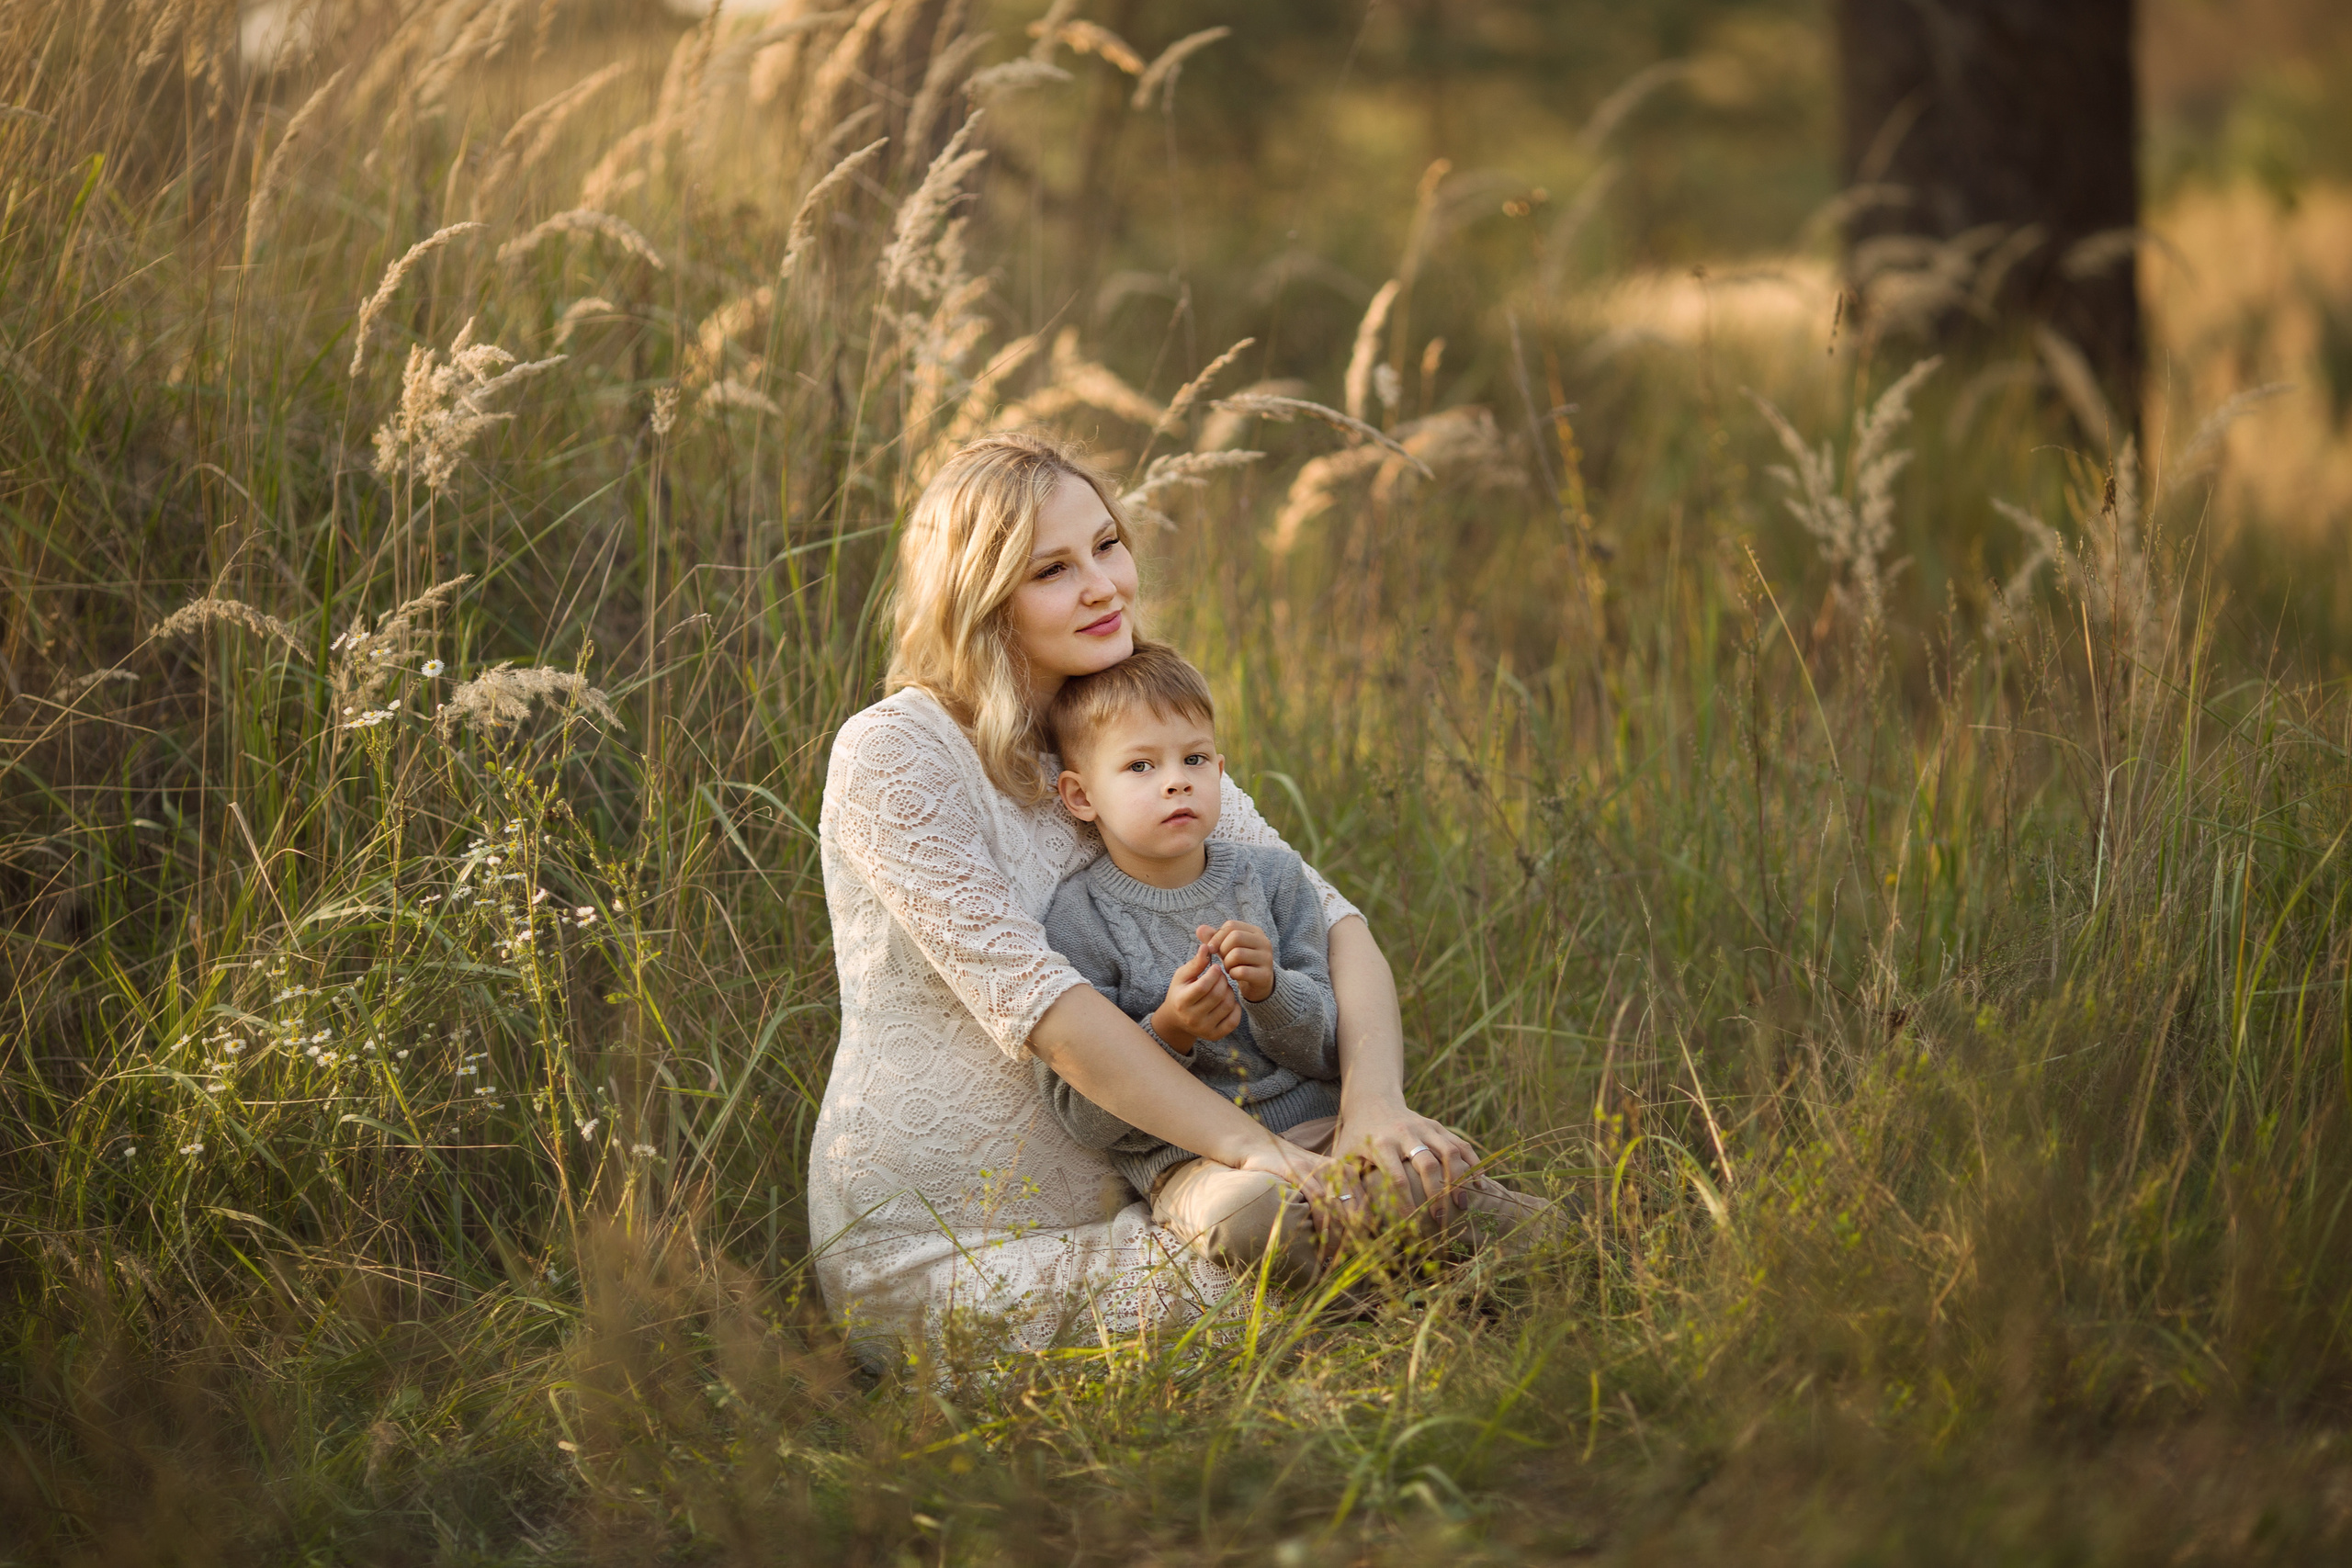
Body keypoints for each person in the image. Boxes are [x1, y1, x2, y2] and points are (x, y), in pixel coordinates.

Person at [809, 432, 1487, 1365]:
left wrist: (1374, 1109)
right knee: (1313, 1270)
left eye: (1107, 544)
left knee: (1384, 1204)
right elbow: (1051, 1016)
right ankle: (1454, 1256)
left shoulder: (1118, 740)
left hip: (1160, 1199)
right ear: (979, 597)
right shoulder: (898, 750)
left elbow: (1338, 929)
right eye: (1052, 567)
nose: (1103, 585)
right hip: (953, 1248)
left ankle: (1487, 1246)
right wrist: (1267, 1155)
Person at [1031, 641, 1544, 1286]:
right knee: (1249, 1220)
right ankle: (1402, 1293)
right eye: (1139, 766)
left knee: (1439, 1173)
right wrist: (1171, 1028)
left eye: (1193, 758)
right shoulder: (1078, 920)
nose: (1175, 779)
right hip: (1201, 1165)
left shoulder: (1272, 880)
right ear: (1080, 796)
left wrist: (1271, 990)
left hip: (1326, 1129)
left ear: (1219, 769)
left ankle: (1561, 1254)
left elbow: (1327, 1044)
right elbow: (1083, 1115)